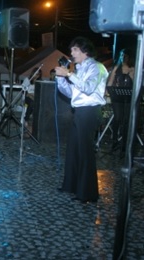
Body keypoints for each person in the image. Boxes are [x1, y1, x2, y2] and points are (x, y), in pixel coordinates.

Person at [55, 36, 108, 203]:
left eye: (75, 49)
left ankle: (87, 193)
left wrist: (69, 74)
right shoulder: (78, 69)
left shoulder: (96, 67)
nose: (71, 53)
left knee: (85, 151)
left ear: (85, 51)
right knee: (73, 149)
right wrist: (61, 77)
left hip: (90, 112)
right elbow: (72, 93)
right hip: (79, 111)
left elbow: (88, 88)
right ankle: (71, 185)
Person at [106, 48, 135, 152]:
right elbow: (109, 84)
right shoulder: (116, 68)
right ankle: (114, 140)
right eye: (121, 55)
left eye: (125, 56)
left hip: (129, 97)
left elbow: (137, 84)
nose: (123, 58)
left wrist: (131, 73)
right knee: (118, 117)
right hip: (117, 97)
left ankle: (125, 142)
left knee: (126, 120)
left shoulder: (133, 68)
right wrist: (114, 71)